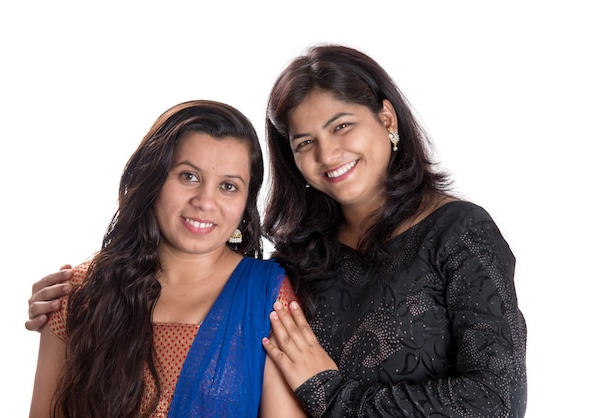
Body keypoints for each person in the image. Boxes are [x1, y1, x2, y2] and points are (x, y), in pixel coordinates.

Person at [27, 45, 527, 417]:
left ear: (387, 117)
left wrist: (332, 394)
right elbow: (204, 283)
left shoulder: (459, 234)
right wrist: (79, 291)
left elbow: (498, 400)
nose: (328, 155)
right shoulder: (300, 257)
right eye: (304, 140)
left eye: (342, 126)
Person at [28, 100, 305, 418]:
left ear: (245, 204)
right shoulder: (77, 293)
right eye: (188, 176)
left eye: (228, 186)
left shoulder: (268, 297)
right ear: (154, 179)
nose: (205, 201)